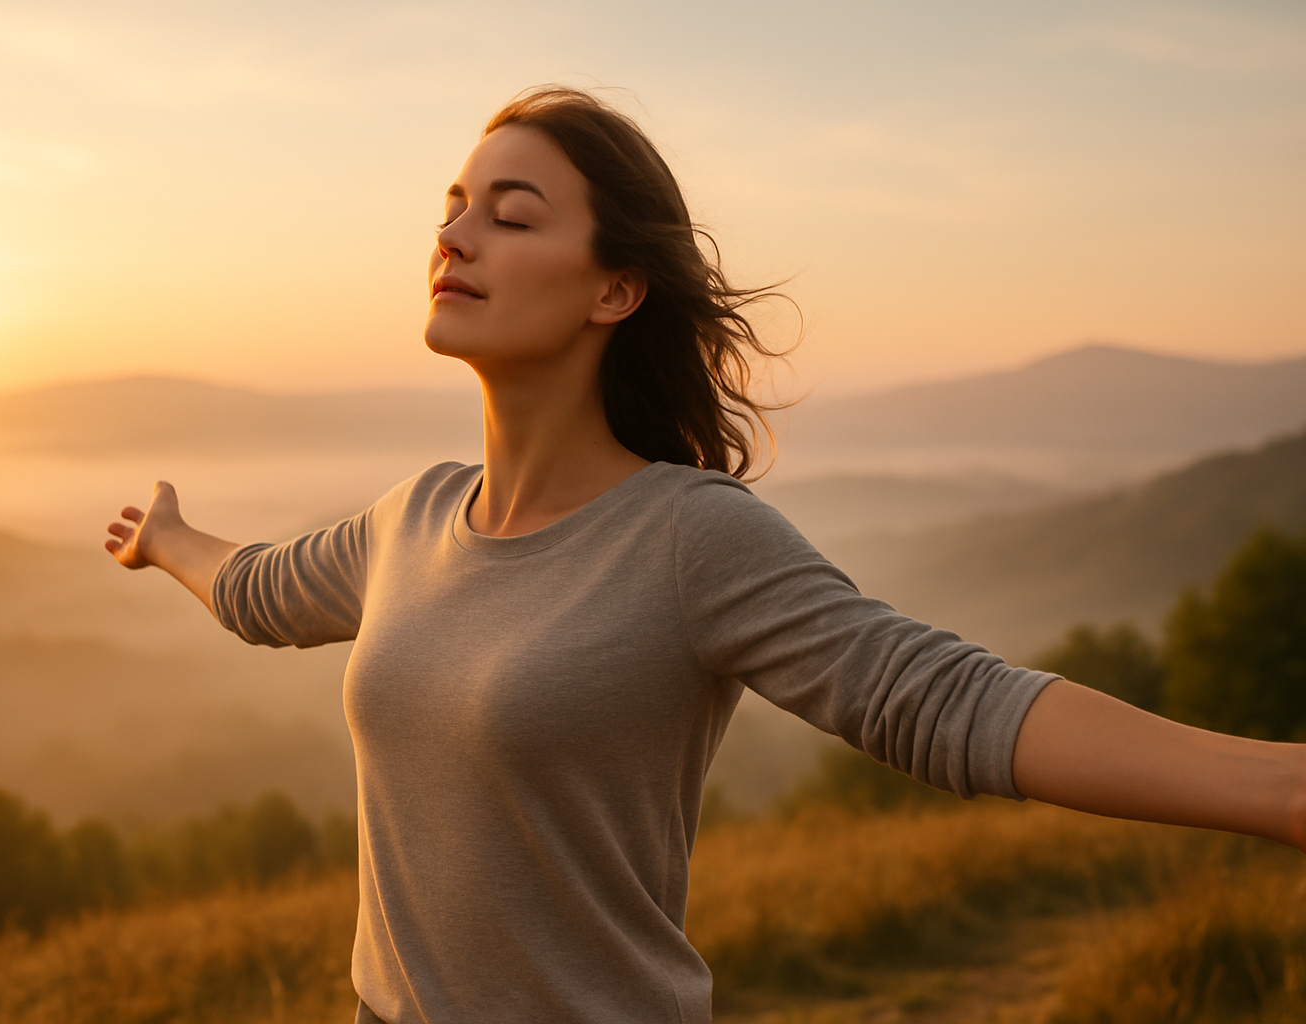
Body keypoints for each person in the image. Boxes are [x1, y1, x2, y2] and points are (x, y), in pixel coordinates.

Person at [106, 87, 1306, 1024]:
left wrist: (1281, 790)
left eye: (511, 214)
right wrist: (168, 539)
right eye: (454, 206)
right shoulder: (407, 521)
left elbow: (935, 699)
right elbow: (261, 591)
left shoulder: (688, 535)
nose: (455, 233)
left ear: (616, 288)